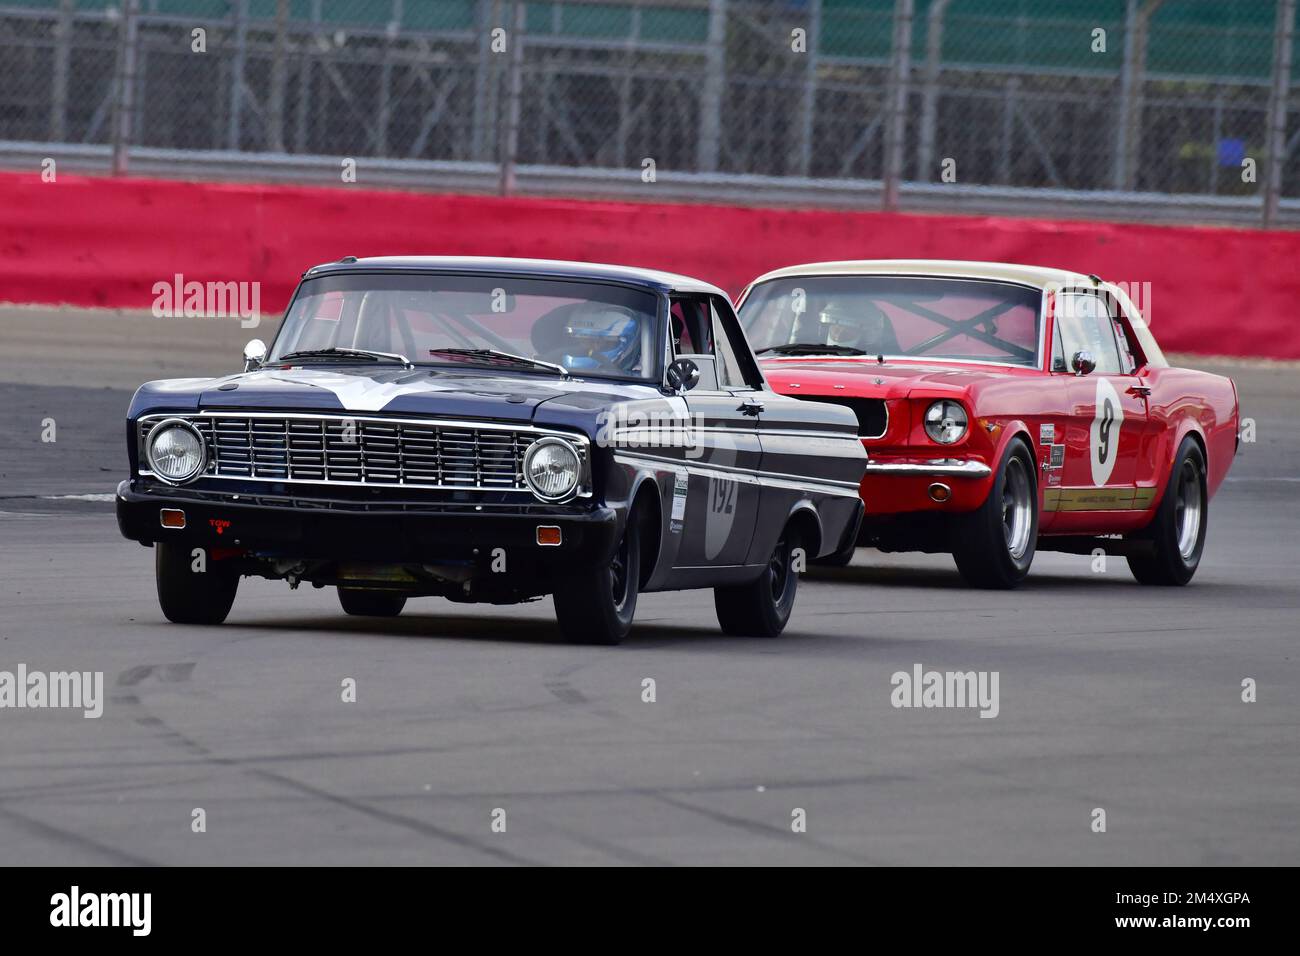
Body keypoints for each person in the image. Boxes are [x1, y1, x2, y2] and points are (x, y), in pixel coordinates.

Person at [816, 299, 896, 354]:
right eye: (836, 328)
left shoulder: (883, 358)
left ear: (864, 335)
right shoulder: (814, 355)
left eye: (846, 332)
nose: (838, 335)